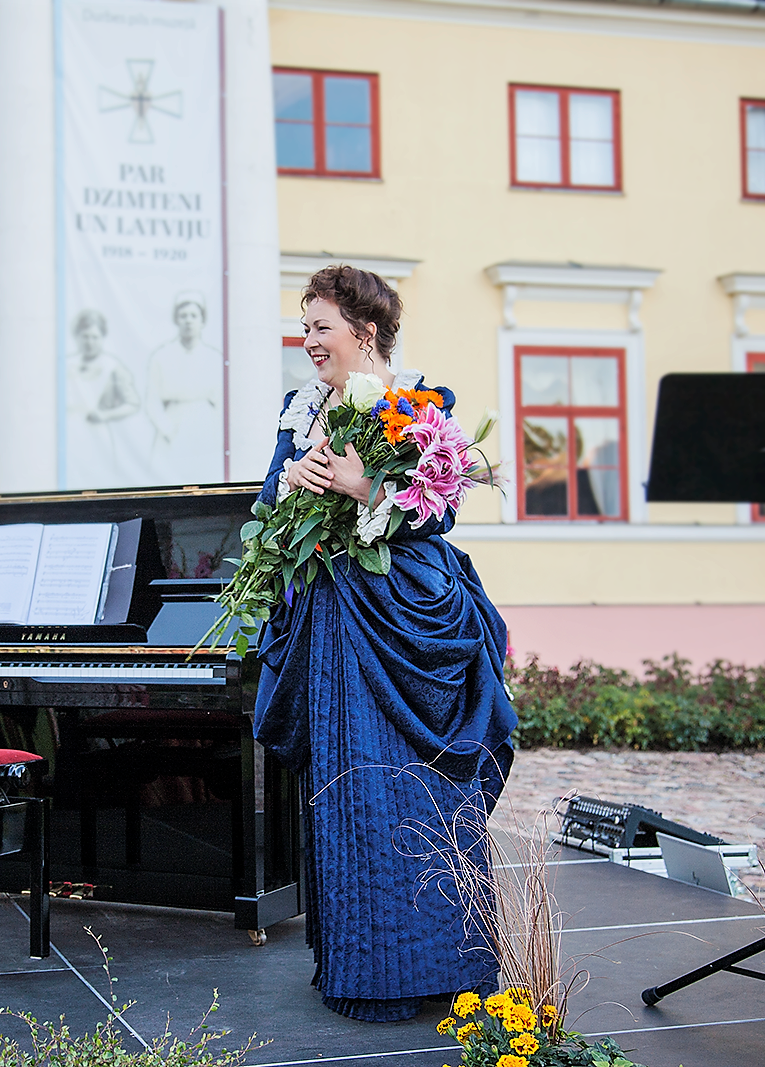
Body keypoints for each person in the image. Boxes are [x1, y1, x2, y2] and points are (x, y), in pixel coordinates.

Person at [253, 265, 518, 1022]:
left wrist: (366, 486)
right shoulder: (297, 411)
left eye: (320, 327)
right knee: (348, 791)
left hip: (406, 612)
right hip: (336, 623)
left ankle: (444, 965)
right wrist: (294, 482)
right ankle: (364, 970)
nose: (308, 341)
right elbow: (266, 499)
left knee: (421, 793)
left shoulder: (422, 403)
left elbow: (438, 512)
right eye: (305, 328)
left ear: (363, 332)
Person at [145, 291, 223, 483]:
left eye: (194, 316)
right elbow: (152, 401)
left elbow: (222, 402)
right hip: (172, 427)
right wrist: (169, 430)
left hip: (204, 428)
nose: (188, 321)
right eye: (183, 316)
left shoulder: (214, 358)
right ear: (176, 320)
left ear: (202, 321)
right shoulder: (161, 356)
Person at [64, 309, 145, 488]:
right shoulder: (65, 365)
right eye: (85, 336)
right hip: (69, 438)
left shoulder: (113, 366)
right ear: (77, 337)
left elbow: (132, 403)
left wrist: (105, 415)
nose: (90, 342)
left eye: (95, 337)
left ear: (102, 337)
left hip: (97, 438)